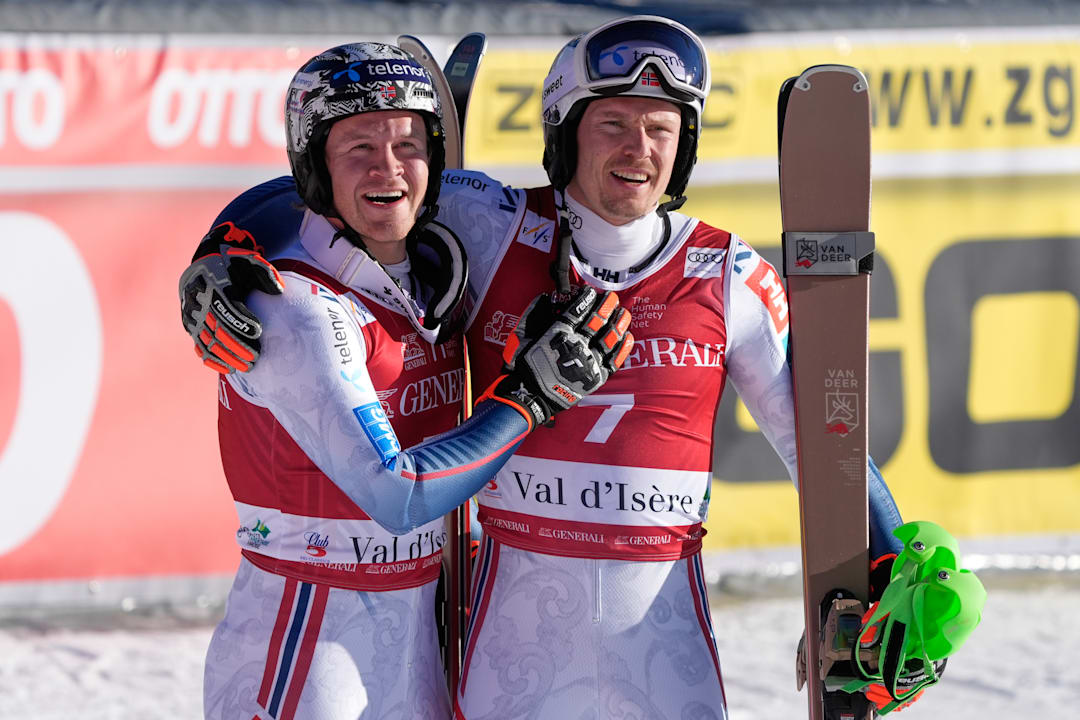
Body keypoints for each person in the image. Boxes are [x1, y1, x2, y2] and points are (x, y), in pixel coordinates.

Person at [180, 18, 940, 720]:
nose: (637, 150)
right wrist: (226, 244)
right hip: (509, 661)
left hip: (665, 655)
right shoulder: (492, 223)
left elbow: (822, 447)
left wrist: (888, 554)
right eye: (611, 123)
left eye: (661, 129)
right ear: (566, 132)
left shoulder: (730, 273)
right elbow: (339, 194)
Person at [180, 42, 633, 720]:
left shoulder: (428, 276)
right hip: (310, 642)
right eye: (358, 146)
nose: (388, 168)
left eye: (409, 144)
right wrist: (529, 398)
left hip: (416, 634)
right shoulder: (295, 308)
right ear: (313, 163)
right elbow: (399, 494)